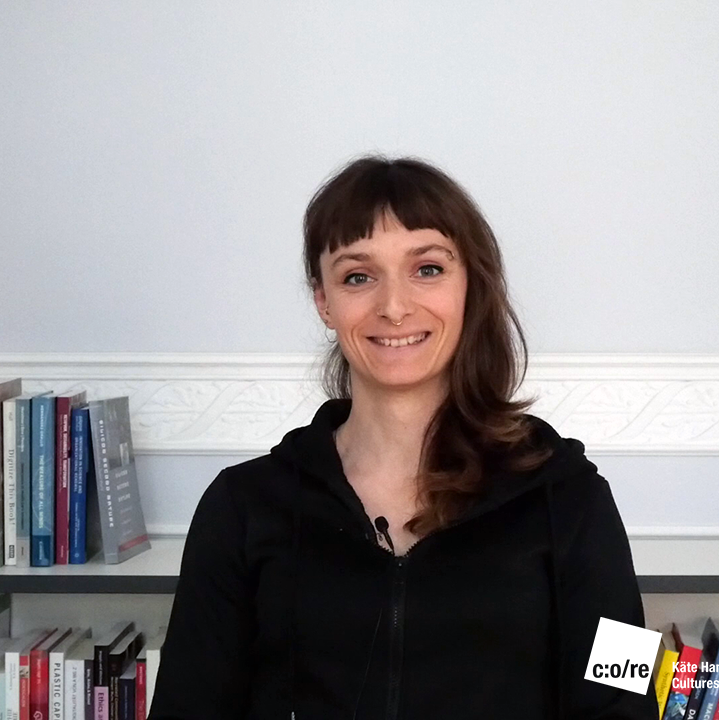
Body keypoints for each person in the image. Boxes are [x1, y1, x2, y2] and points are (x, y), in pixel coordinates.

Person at [148, 155, 653, 719]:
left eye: (428, 269)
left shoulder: (573, 497)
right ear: (324, 301)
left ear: (470, 286)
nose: (393, 306)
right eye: (358, 276)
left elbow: (627, 693)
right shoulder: (241, 507)